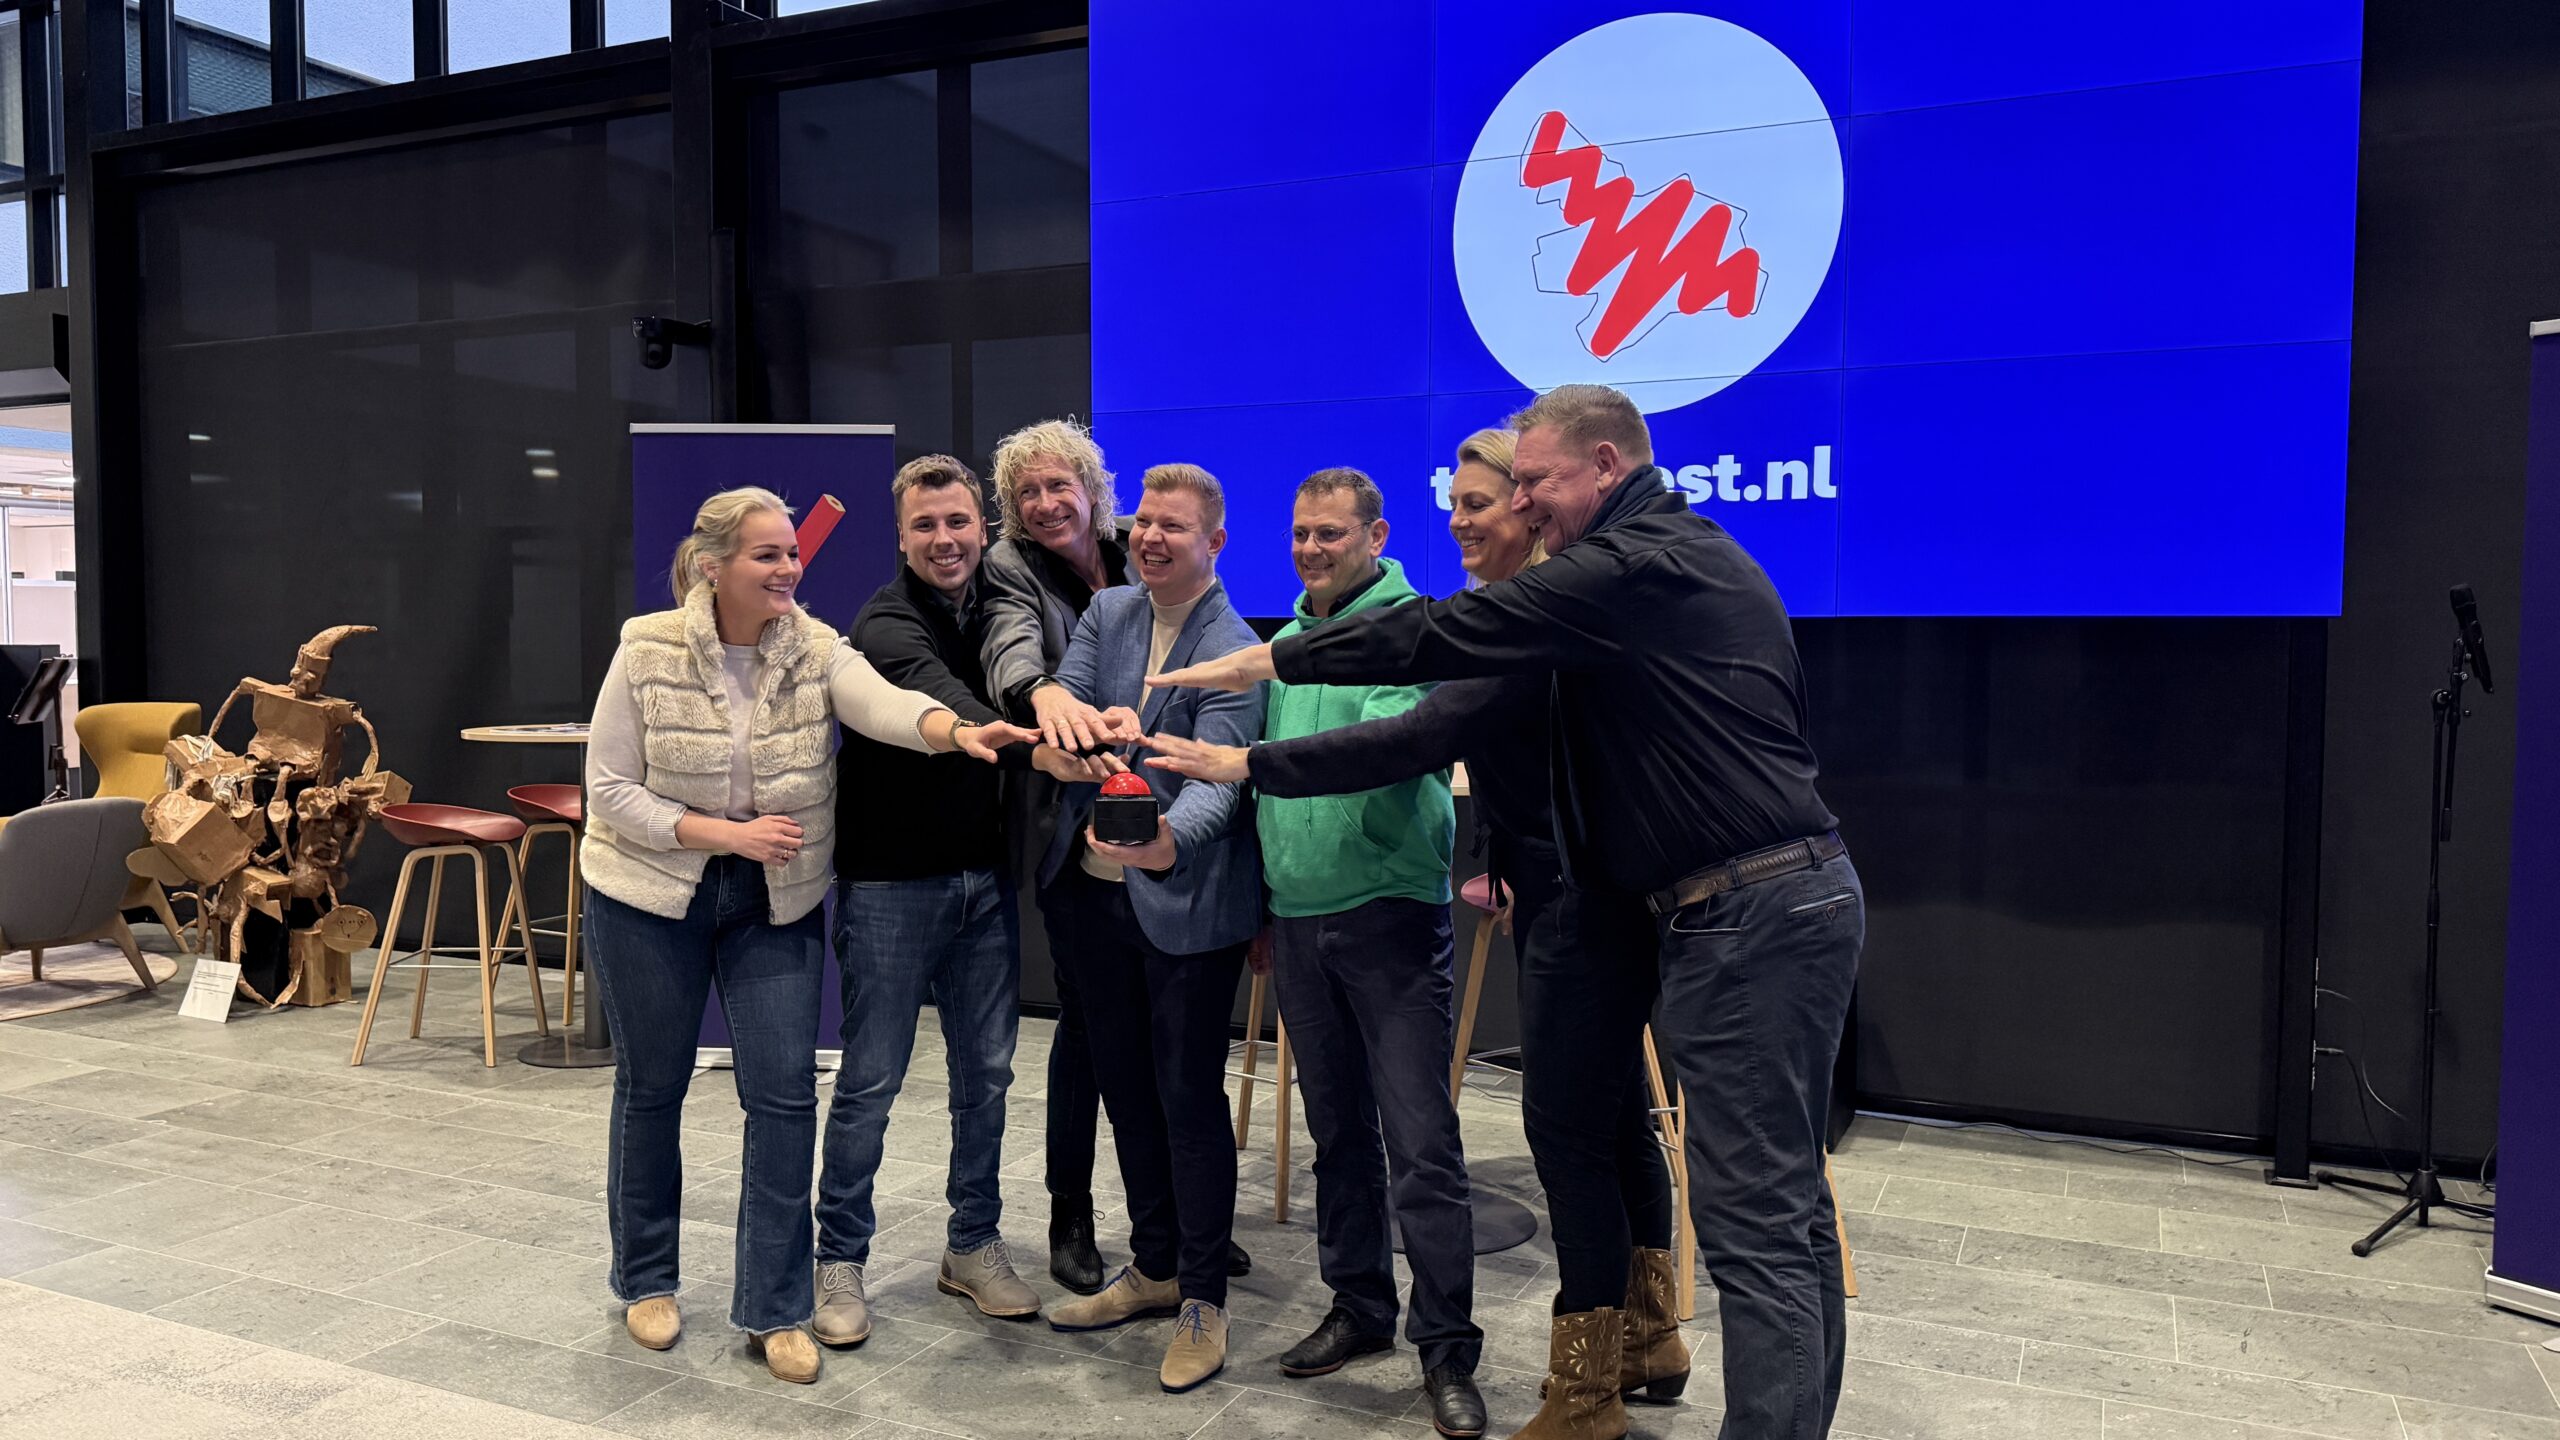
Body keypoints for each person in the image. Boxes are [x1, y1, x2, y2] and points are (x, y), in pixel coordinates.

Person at [1150, 387, 1864, 1440]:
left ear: (1606, 464)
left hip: (1739, 908)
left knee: (1750, 1220)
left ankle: (1611, 1381)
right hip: (1729, 900)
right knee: (1761, 1208)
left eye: (1526, 486)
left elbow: (1430, 669)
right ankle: (1641, 1350)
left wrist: (1261, 684)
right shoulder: (1666, 559)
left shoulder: (1630, 566)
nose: (1512, 508)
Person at [581, 486, 1032, 1385]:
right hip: (648, 894)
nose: (789, 567)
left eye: (791, 552)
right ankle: (647, 1279)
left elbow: (886, 705)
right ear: (713, 566)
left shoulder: (816, 647)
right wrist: (723, 834)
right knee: (653, 1089)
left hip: (773, 900)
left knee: (785, 1098)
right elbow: (608, 789)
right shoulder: (647, 647)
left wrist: (957, 731)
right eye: (767, 554)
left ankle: (776, 1305)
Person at [812, 456, 1121, 1346]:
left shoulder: (1002, 603)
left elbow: (1020, 664)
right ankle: (840, 1258)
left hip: (982, 881)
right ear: (901, 536)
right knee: (872, 1080)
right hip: (888, 887)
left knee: (985, 1078)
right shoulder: (883, 622)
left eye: (957, 523)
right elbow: (939, 698)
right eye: (925, 526)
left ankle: (973, 1245)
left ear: (982, 528)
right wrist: (1034, 745)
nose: (944, 540)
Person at [1247, 467, 1484, 1437]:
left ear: (1376, 538)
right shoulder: (1285, 641)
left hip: (1389, 918)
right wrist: (1268, 903)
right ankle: (1359, 1307)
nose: (1311, 549)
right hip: (1300, 919)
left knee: (1421, 1147)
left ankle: (1447, 1349)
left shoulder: (1411, 630)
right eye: (1300, 532)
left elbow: (1386, 749)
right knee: (1338, 1138)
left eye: (1331, 534)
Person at [1037, 464, 1266, 1396]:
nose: (1152, 538)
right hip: (1094, 899)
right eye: (1143, 523)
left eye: (1174, 526)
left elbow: (1220, 778)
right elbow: (1064, 709)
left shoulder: (1236, 646)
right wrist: (1079, 733)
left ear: (1215, 542)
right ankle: (1156, 1264)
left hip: (1187, 907)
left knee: (1187, 1102)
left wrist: (1170, 843)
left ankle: (1203, 1299)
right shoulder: (1109, 612)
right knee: (1126, 1093)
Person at [976, 418, 1129, 1294]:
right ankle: (1070, 1211)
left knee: (1161, 1026)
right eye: (1026, 492)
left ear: (1091, 490)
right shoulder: (1009, 567)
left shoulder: (1135, 548)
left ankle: (1174, 1214)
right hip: (1074, 831)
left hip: (1166, 816)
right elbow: (1009, 647)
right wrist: (1041, 694)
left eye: (1057, 486)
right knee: (1088, 1023)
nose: (1043, 504)